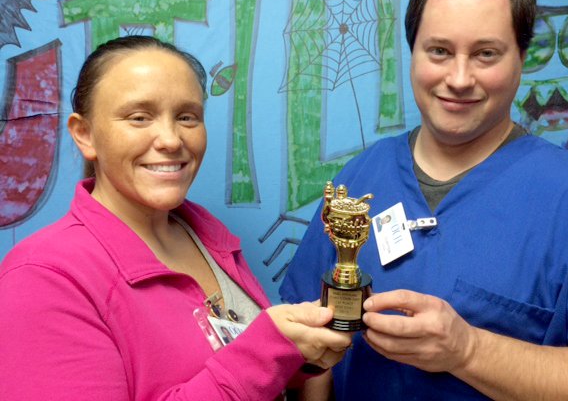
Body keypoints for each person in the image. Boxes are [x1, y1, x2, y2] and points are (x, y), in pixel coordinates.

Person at [280, 0, 568, 400]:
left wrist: (468, 351)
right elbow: (305, 342)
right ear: (413, 52)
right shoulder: (359, 179)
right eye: (440, 51)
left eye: (486, 53)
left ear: (521, 59)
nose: (459, 78)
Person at [0, 35, 351, 400]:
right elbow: (245, 366)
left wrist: (297, 354)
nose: (170, 139)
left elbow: (236, 366)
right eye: (139, 117)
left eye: (187, 117)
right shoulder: (42, 278)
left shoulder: (203, 233)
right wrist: (265, 351)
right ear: (84, 134)